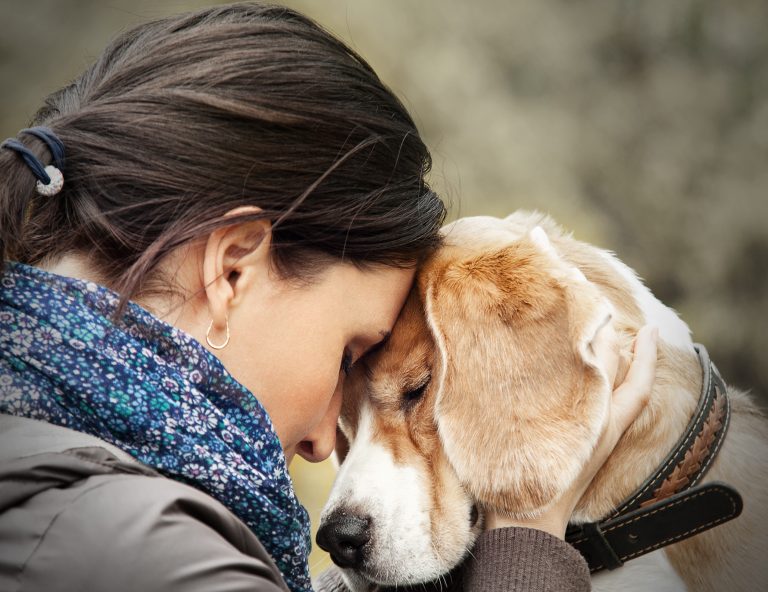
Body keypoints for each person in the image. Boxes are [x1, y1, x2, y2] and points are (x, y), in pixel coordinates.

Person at [0, 3, 658, 591]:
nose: (323, 444)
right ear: (231, 270)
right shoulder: (150, 554)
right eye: (351, 353)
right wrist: (528, 541)